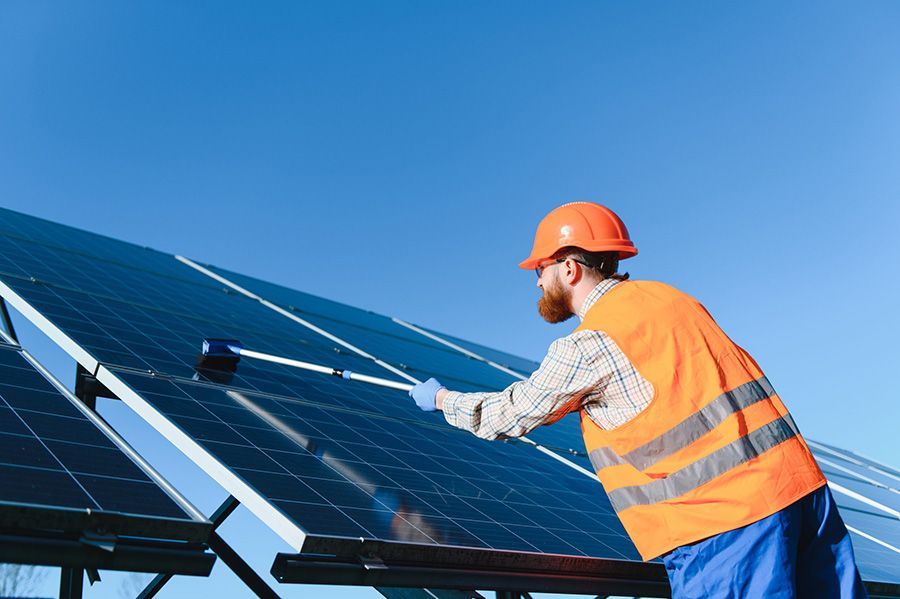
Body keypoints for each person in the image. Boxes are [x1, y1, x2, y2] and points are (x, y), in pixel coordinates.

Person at [409, 202, 867, 598]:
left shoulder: (589, 343)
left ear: (568, 267)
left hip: (722, 526)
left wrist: (443, 399)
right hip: (803, 497)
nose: (536, 282)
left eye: (540, 270)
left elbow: (510, 414)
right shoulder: (672, 299)